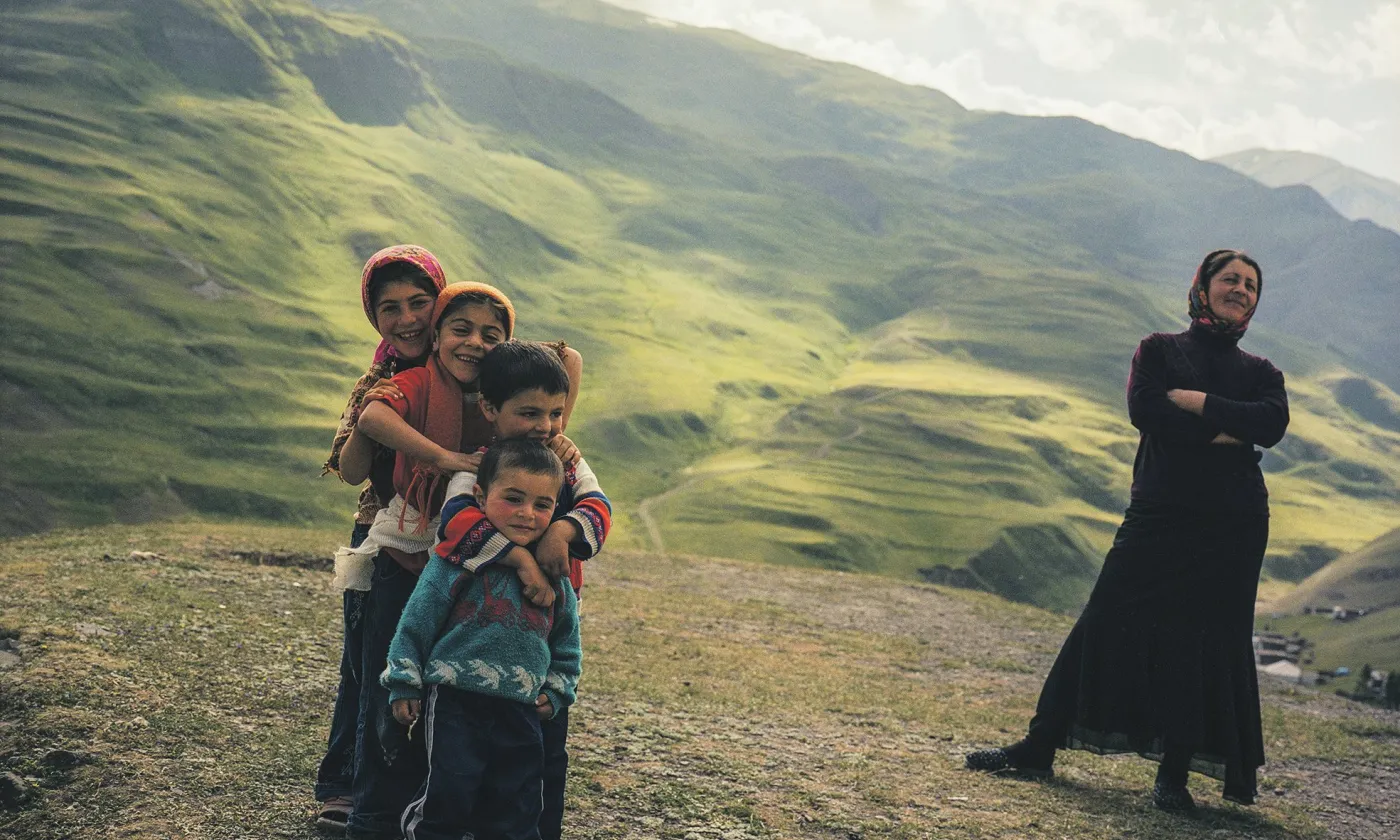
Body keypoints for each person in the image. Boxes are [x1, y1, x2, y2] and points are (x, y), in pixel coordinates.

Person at [965, 249, 1289, 811]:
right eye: (1230, 279)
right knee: (1103, 619)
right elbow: (1148, 412)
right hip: (1160, 511)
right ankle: (1039, 746)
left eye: (1251, 285)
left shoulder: (1263, 373)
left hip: (1234, 522)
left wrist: (1193, 402)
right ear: (1203, 287)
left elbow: (1271, 425)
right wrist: (1227, 427)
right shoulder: (1158, 350)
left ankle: (1174, 776)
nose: (1240, 290)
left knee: (1204, 638)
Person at [335, 282, 576, 840]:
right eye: (460, 329)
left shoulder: (522, 411)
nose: (474, 343)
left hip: (495, 590)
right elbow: (447, 512)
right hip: (413, 556)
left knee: (497, 739)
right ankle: (374, 819)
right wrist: (520, 556)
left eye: (492, 335)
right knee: (388, 691)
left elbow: (569, 362)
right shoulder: (414, 384)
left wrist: (561, 525)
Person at [433, 341, 611, 840]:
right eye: (529, 412)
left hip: (545, 625)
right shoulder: (479, 466)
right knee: (464, 756)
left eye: (556, 412)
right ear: (490, 409)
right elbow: (456, 521)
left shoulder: (569, 464)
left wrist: (562, 532)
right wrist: (523, 562)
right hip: (476, 629)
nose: (546, 426)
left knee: (544, 751)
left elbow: (599, 510)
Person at [384, 438, 582, 840]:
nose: (527, 514)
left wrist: (559, 688)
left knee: (517, 802)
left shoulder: (555, 578)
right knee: (449, 791)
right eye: (513, 498)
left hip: (522, 709)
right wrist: (404, 680)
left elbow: (567, 644)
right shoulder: (457, 560)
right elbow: (417, 620)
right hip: (455, 701)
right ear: (480, 495)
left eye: (543, 505)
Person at [315, 245, 449, 830]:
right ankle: (345, 785)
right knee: (364, 665)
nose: (407, 318)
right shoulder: (376, 380)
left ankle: (419, 787)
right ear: (375, 317)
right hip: (378, 533)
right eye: (389, 307)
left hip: (446, 540)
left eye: (420, 302)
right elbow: (349, 470)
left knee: (426, 662)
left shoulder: (465, 368)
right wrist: (374, 416)